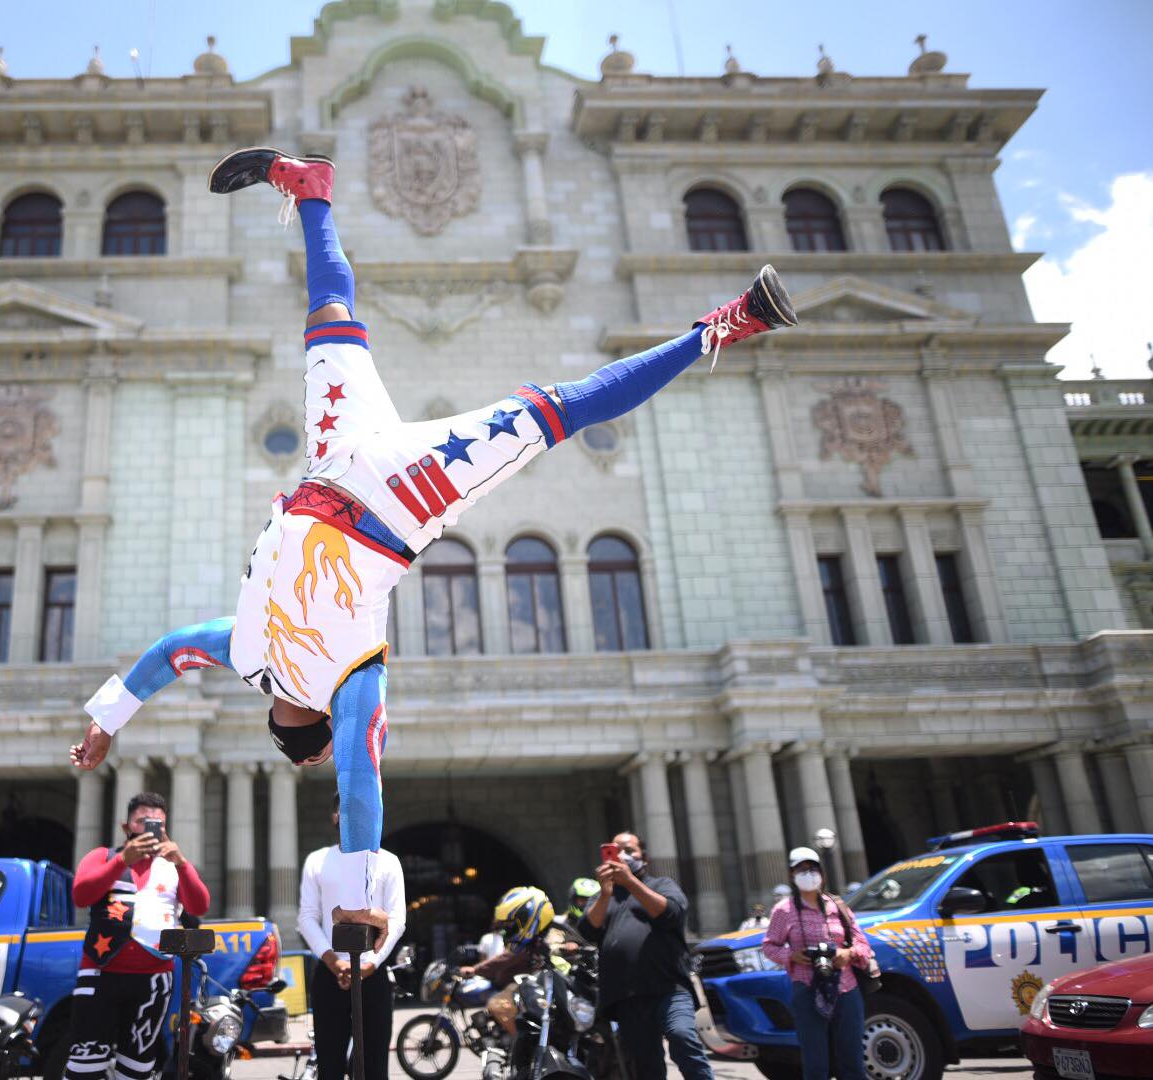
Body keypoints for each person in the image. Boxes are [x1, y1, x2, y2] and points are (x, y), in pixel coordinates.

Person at [68, 147, 800, 906]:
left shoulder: (259, 659)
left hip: (343, 462)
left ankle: (314, 190)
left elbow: (174, 661)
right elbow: (335, 765)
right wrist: (107, 722)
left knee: (333, 316)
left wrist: (107, 722)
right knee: (559, 406)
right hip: (397, 492)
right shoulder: (328, 675)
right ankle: (724, 326)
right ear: (295, 732)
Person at [66, 792, 210, 1080]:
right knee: (85, 1064)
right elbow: (81, 895)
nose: (149, 828)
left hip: (153, 981)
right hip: (100, 974)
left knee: (137, 1066)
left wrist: (181, 862)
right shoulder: (103, 857)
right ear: (126, 827)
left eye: (157, 823)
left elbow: (199, 905)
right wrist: (122, 861)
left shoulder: (172, 868)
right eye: (141, 821)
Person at [584, 832, 713, 1080]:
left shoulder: (661, 885)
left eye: (630, 850)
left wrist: (630, 882)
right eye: (616, 850)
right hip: (627, 996)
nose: (623, 855)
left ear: (645, 857)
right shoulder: (604, 895)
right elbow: (588, 928)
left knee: (682, 1035)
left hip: (669, 988)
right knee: (645, 1064)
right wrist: (605, 893)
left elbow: (672, 913)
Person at [298, 793, 405, 1080]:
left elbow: (397, 920)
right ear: (335, 817)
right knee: (329, 1065)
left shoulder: (389, 861)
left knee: (374, 1067)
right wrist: (334, 962)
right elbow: (307, 917)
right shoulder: (317, 860)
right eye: (346, 811)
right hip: (330, 973)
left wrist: (371, 963)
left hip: (374, 973)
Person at [761, 847, 874, 1080]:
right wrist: (790, 956)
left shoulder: (837, 905)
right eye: (801, 869)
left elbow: (864, 945)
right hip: (807, 987)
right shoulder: (784, 910)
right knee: (815, 1063)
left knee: (852, 1061)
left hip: (846, 987)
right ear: (792, 874)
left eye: (813, 868)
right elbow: (769, 946)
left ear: (822, 872)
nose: (808, 874)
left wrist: (849, 953)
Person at [458, 886, 554, 1038]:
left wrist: (475, 970)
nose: (507, 931)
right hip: (526, 985)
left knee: (497, 1004)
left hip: (535, 987)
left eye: (513, 925)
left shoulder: (547, 937)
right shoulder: (529, 940)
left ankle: (522, 1041)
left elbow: (505, 958)